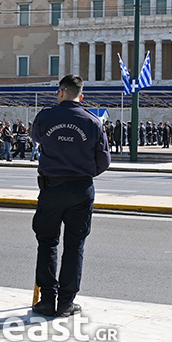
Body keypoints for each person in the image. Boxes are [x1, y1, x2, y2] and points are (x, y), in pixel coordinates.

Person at [30, 75, 111, 318]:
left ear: (61, 92)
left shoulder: (45, 117)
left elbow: (36, 139)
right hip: (80, 189)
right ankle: (66, 302)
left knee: (47, 243)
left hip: (51, 187)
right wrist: (83, 173)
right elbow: (104, 161)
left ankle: (46, 300)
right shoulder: (93, 121)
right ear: (81, 96)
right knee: (75, 246)